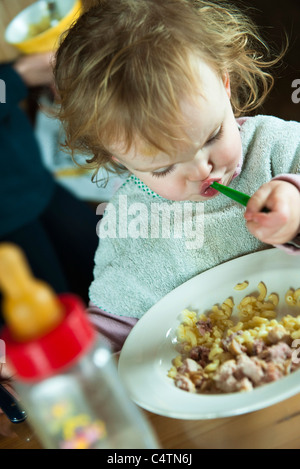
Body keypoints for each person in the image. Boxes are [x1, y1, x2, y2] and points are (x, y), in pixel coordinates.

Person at [53, 0, 300, 352]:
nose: (202, 169)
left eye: (213, 136)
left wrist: (295, 207)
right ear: (120, 160)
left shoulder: (276, 147)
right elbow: (115, 326)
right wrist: (59, 357)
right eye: (164, 168)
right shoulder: (131, 223)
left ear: (225, 83)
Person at [0, 52, 99, 317]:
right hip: (8, 229)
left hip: (38, 186)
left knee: (113, 281)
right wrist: (15, 77)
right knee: (57, 325)